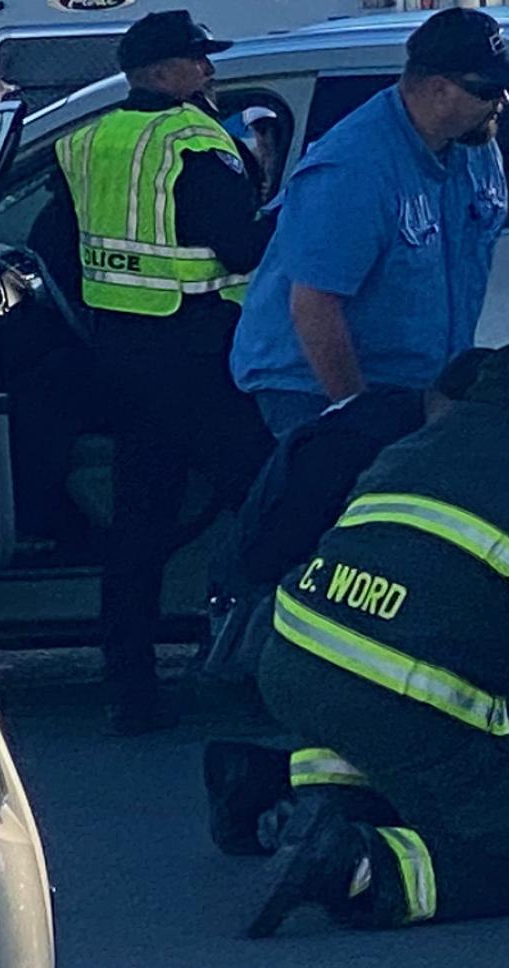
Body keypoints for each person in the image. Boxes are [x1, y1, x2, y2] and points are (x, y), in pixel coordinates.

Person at [244, 343, 509, 937]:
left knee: (364, 735)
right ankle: (354, 868)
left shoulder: (407, 449)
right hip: (394, 697)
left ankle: (305, 806)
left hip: (291, 662)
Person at [53, 10, 276, 735]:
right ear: (159, 70)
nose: (207, 71)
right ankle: (306, 659)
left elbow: (55, 240)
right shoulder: (194, 142)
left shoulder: (85, 141)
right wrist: (289, 206)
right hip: (199, 356)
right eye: (196, 60)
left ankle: (132, 688)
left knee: (138, 528)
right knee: (276, 503)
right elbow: (241, 250)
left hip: (122, 356)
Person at [201, 348, 492, 857]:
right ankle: (307, 803)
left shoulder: (395, 424)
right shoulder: (361, 446)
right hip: (272, 614)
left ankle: (265, 783)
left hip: (306, 612)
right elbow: (275, 556)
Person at [229, 8, 509, 439]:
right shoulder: (354, 169)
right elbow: (314, 305)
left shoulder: (475, 147)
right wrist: (355, 414)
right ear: (438, 90)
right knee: (352, 501)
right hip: (316, 386)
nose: (502, 100)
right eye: (489, 90)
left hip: (418, 385)